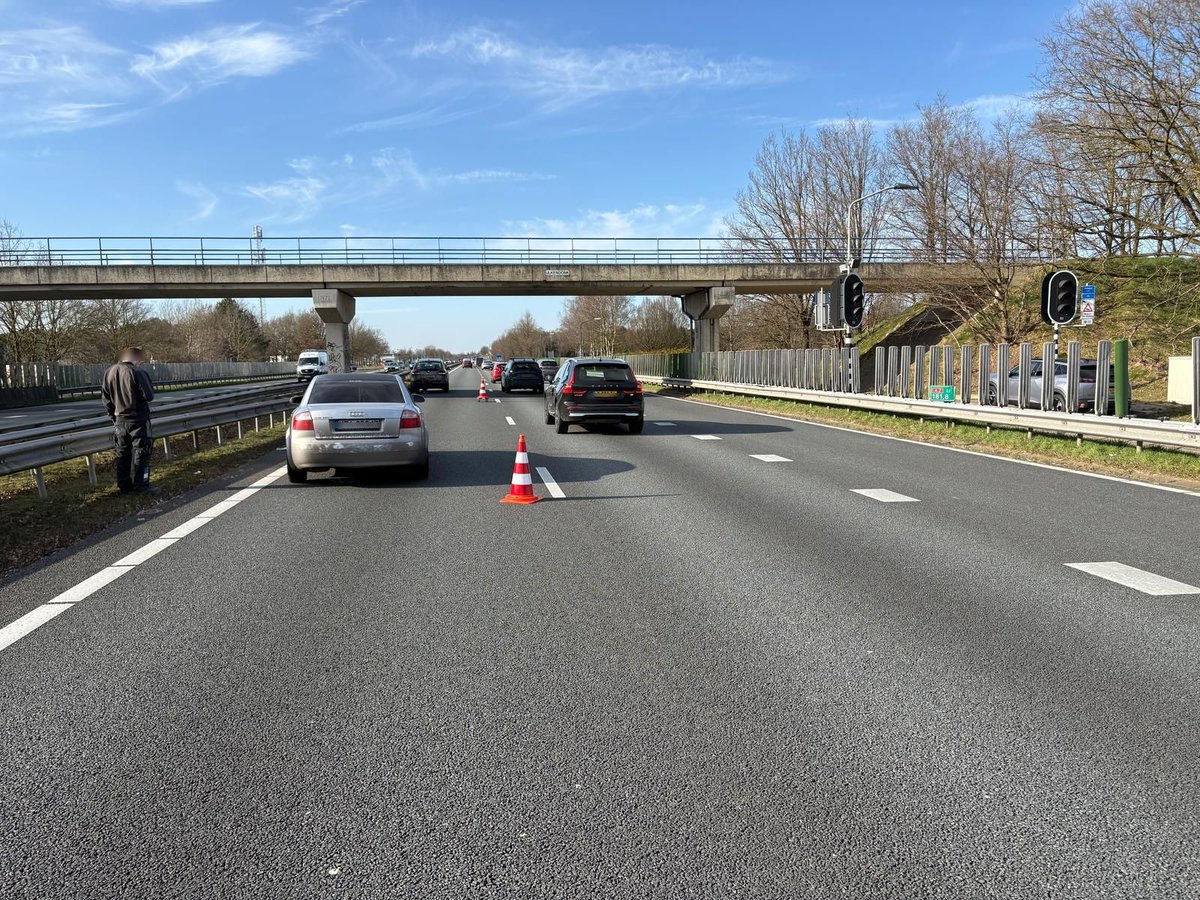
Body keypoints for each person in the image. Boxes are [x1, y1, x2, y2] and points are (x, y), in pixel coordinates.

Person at [100, 347, 159, 495]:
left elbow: (106, 400)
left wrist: (114, 418)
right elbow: (149, 396)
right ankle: (141, 485)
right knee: (142, 452)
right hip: (138, 419)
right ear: (137, 358)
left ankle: (124, 486)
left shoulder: (109, 372)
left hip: (120, 420)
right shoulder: (137, 372)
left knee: (122, 453)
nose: (141, 363)